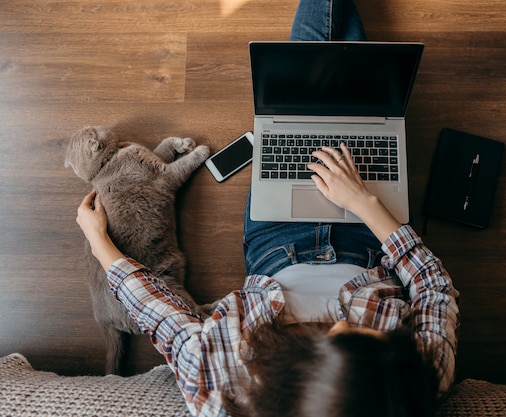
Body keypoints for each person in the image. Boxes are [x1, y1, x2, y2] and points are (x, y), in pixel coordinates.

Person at [75, 1, 460, 416]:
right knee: (359, 102)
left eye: (336, 335)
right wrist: (365, 204)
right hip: (373, 242)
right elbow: (433, 289)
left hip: (278, 245)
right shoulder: (413, 382)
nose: (344, 320)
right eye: (376, 334)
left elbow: (160, 315)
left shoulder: (223, 388)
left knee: (302, 97)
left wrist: (99, 241)